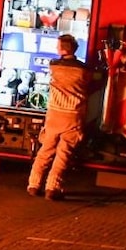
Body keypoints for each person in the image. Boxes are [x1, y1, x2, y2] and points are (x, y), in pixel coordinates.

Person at [27, 34, 95, 201]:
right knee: (63, 154)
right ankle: (52, 188)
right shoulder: (84, 70)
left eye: (58, 46)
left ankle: (34, 185)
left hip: (54, 115)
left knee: (45, 151)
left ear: (62, 49)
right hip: (73, 116)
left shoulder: (54, 65)